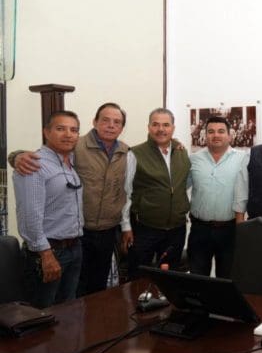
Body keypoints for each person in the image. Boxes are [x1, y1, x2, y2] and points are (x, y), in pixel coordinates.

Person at [10, 103, 129, 296]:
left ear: (122, 127)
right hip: (65, 241)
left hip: (92, 237)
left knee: (85, 296)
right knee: (50, 303)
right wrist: (16, 156)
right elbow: (30, 214)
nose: (111, 125)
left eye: (117, 122)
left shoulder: (124, 152)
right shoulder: (69, 149)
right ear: (94, 122)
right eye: (105, 120)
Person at [13, 111, 84, 308]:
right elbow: (29, 216)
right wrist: (46, 254)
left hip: (73, 248)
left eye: (74, 130)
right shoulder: (33, 165)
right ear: (46, 132)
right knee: (42, 314)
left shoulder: (70, 163)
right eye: (60, 129)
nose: (68, 134)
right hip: (48, 252)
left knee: (68, 310)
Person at [121, 108, 190, 279]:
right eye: (155, 124)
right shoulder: (135, 154)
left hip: (176, 229)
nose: (161, 129)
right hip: (145, 228)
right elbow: (125, 192)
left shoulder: (181, 152)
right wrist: (126, 226)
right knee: (138, 278)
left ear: (173, 128)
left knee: (170, 279)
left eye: (166, 125)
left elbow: (183, 185)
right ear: (148, 127)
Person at [187, 116, 247, 278]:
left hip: (230, 230)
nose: (216, 135)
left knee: (226, 280)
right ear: (205, 135)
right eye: (211, 131)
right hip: (199, 230)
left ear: (229, 135)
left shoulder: (243, 158)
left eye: (221, 131)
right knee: (197, 279)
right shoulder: (193, 159)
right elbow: (180, 187)